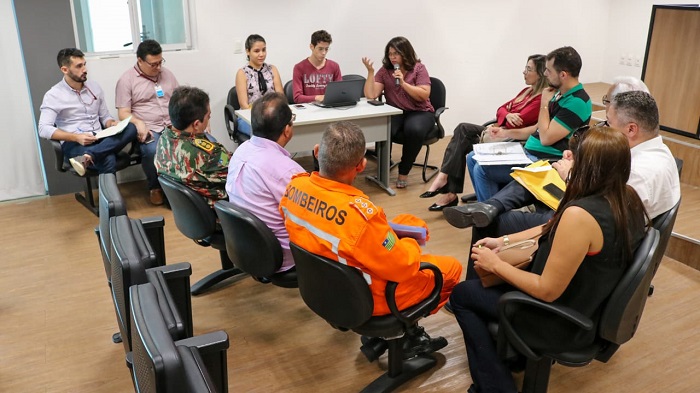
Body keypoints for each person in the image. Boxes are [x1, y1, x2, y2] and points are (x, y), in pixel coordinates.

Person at [451, 126, 648, 393]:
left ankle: (495, 387)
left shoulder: (580, 216)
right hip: (589, 305)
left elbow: (547, 289)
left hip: (559, 320)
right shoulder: (627, 198)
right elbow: (550, 226)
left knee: (463, 295)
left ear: (588, 166)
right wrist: (504, 241)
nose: (566, 157)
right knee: (482, 284)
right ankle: (512, 355)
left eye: (573, 156)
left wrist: (495, 264)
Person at [280, 121, 462, 357]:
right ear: (361, 165)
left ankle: (397, 331)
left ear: (316, 152)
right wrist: (410, 242)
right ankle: (407, 332)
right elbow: (403, 267)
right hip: (370, 298)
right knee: (452, 269)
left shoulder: (294, 188)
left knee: (406, 220)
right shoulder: (361, 217)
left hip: (323, 286)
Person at [420, 54, 547, 210]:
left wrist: (506, 117)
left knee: (462, 138)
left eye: (529, 69)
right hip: (499, 132)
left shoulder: (541, 99)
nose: (524, 72)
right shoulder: (526, 91)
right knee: (462, 130)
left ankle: (448, 188)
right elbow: (501, 109)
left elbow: (519, 120)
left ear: (540, 74)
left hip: (510, 139)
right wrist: (506, 114)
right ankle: (446, 182)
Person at [467, 46, 591, 201]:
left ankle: (490, 215)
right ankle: (489, 206)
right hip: (530, 151)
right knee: (472, 157)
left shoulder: (577, 102)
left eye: (548, 71)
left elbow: (546, 138)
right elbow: (538, 128)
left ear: (563, 75)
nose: (545, 74)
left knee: (482, 169)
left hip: (546, 159)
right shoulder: (559, 93)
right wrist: (505, 133)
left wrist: (544, 104)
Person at [226, 92, 305, 273]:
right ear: (287, 130)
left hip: (247, 245)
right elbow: (311, 217)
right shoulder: (288, 171)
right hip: (282, 255)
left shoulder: (241, 151)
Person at [38, 48, 138, 176]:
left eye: (84, 64)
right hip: (74, 142)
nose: (85, 69)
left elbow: (105, 117)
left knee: (131, 128)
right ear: (65, 70)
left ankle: (89, 156)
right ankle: (110, 195)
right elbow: (43, 129)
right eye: (79, 66)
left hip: (100, 137)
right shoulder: (53, 95)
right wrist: (76, 137)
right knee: (107, 158)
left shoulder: (94, 87)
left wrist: (112, 123)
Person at [362, 36, 434, 189]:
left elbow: (424, 94)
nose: (392, 57)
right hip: (396, 111)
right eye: (390, 54)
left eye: (396, 53)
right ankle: (382, 169)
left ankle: (404, 172)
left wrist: (403, 83)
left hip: (420, 112)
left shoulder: (418, 68)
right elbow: (371, 94)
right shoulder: (385, 71)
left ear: (405, 53)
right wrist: (370, 72)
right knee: (384, 127)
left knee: (413, 129)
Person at [115, 39, 179, 205]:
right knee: (152, 150)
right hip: (149, 127)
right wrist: (138, 123)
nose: (158, 68)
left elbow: (180, 99)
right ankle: (155, 187)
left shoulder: (167, 74)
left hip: (172, 124)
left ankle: (185, 187)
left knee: (196, 144)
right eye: (153, 64)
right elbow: (123, 112)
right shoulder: (126, 80)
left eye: (160, 62)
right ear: (140, 61)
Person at [155, 86, 231, 207]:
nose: (208, 120)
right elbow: (238, 174)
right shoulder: (210, 154)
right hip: (221, 214)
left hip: (191, 213)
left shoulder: (163, 139)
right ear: (196, 124)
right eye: (208, 117)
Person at [235, 34, 284, 136]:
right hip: (250, 117)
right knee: (264, 133)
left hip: (272, 115)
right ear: (248, 51)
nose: (261, 54)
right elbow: (244, 105)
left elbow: (280, 97)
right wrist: (262, 116)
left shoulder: (272, 69)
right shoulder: (242, 73)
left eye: (264, 50)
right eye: (257, 51)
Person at [292, 30, 342, 104]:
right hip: (309, 110)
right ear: (312, 47)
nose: (324, 53)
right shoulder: (299, 67)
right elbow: (297, 97)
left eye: (326, 49)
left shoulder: (334, 66)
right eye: (320, 49)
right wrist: (317, 98)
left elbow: (340, 92)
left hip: (330, 108)